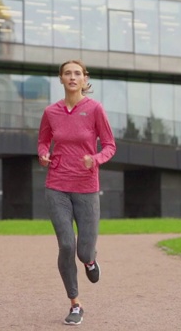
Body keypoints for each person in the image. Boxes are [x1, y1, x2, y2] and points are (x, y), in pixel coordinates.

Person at [37, 59, 116, 326]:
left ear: (84, 79)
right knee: (67, 245)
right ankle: (75, 303)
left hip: (86, 187)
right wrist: (43, 155)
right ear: (60, 79)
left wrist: (94, 159)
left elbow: (109, 145)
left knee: (83, 251)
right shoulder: (51, 112)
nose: (72, 77)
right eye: (67, 73)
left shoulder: (94, 109)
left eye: (77, 73)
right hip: (57, 185)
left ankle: (91, 261)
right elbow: (43, 141)